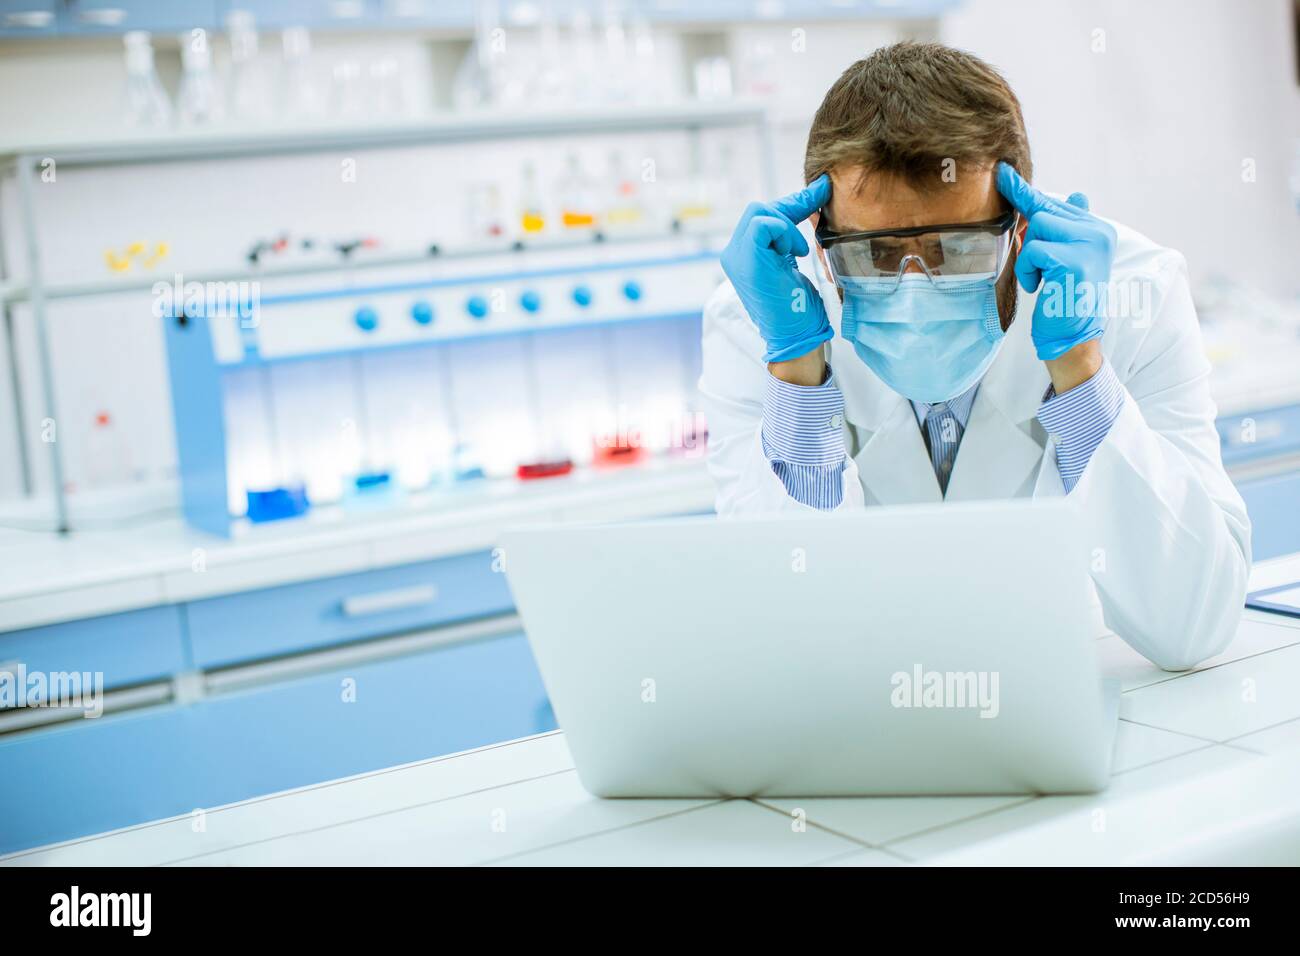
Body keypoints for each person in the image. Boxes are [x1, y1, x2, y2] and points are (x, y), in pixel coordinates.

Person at [699, 41, 1250, 671]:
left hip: (1074, 694)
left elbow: (1195, 626)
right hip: (865, 723)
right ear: (821, 246)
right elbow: (781, 637)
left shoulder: (1132, 295)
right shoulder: (759, 319)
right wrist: (797, 371)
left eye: (955, 250)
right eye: (872, 255)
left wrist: (1080, 370)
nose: (913, 290)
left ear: (1019, 227)